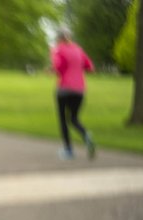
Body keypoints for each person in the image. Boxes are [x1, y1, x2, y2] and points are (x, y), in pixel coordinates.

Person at [51, 27, 96, 160]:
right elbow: (90, 67)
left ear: (59, 38)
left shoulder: (58, 49)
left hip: (64, 89)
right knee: (73, 118)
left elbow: (58, 66)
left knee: (63, 120)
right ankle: (86, 134)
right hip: (80, 90)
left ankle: (68, 151)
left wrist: (53, 70)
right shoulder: (78, 49)